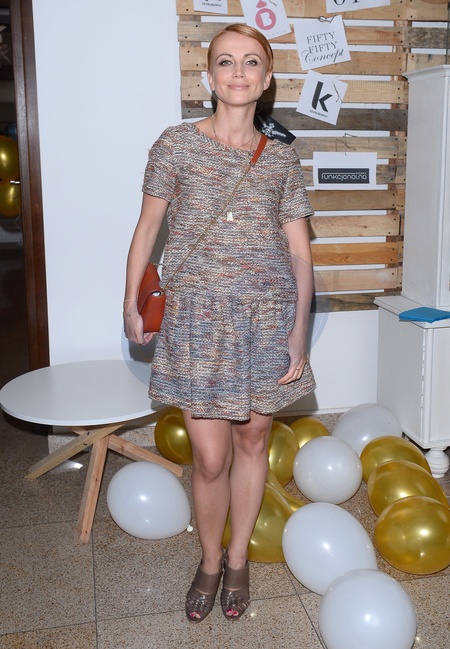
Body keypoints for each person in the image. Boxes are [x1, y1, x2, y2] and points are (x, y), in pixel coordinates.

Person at [123, 23, 315, 623]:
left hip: (265, 317)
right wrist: (131, 300)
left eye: (251, 62)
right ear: (209, 77)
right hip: (197, 320)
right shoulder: (175, 144)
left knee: (252, 441)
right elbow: (147, 229)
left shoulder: (281, 157)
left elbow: (300, 252)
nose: (238, 72)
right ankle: (208, 560)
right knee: (210, 458)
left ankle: (236, 561)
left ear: (267, 78)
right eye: (226, 61)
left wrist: (299, 330)